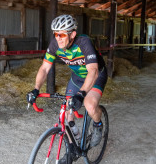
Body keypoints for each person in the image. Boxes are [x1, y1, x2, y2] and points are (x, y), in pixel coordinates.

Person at [27, 14, 107, 155]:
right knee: (66, 114)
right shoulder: (55, 45)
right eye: (56, 34)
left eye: (62, 35)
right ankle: (72, 149)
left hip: (96, 75)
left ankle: (98, 124)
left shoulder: (83, 42)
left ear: (72, 34)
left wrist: (81, 94)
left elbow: (93, 71)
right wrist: (36, 89)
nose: (58, 38)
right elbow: (44, 68)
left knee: (89, 105)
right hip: (77, 78)